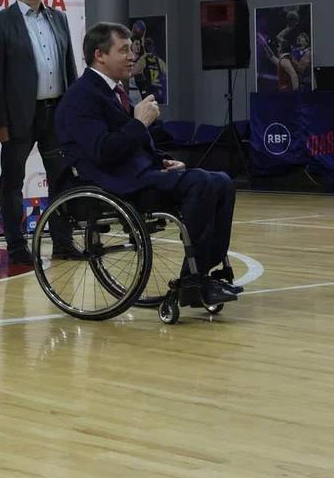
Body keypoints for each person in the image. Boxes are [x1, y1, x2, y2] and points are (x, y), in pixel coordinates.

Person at [54, 22, 240, 305]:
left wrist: (161, 161)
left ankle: (203, 272)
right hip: (114, 184)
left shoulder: (112, 90)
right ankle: (193, 281)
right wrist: (139, 122)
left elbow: (131, 145)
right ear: (99, 55)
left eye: (132, 49)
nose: (132, 56)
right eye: (124, 50)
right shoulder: (81, 97)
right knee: (201, 182)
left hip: (138, 174)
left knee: (223, 182)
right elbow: (103, 151)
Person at [0, 0, 79, 265]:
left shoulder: (58, 18)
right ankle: (16, 246)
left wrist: (75, 110)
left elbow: (69, 67)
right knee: (13, 181)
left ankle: (63, 242)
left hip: (56, 112)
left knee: (61, 180)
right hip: (18, 116)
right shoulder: (1, 22)